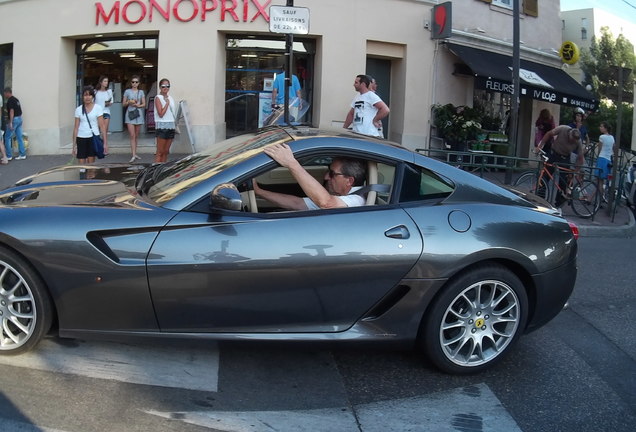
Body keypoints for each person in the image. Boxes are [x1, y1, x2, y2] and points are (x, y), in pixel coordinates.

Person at [252, 143, 366, 211]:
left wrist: (292, 164)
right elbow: (296, 203)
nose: (326, 177)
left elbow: (327, 203)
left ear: (349, 181)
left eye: (332, 174)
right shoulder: (340, 197)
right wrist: (259, 191)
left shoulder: (357, 200)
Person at [535, 125, 585, 207]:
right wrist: (540, 146)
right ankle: (540, 199)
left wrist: (576, 170)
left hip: (565, 157)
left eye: (574, 142)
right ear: (569, 134)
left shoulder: (578, 141)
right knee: (545, 176)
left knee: (563, 182)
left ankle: (558, 204)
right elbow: (548, 134)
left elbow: (580, 157)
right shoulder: (563, 129)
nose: (572, 142)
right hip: (554, 153)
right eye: (571, 140)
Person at [72, 85, 105, 164]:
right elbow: (76, 127)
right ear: (82, 97)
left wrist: (105, 143)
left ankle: (91, 175)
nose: (87, 97)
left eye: (90, 95)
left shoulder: (98, 108)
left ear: (92, 96)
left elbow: (102, 126)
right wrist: (74, 145)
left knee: (91, 163)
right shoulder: (79, 109)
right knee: (81, 162)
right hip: (81, 137)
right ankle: (82, 175)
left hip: (93, 137)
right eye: (85, 95)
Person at [153, 78, 177, 163]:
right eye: (163, 86)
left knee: (166, 151)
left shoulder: (171, 98)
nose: (166, 88)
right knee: (160, 151)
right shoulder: (158, 98)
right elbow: (161, 113)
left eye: (168, 86)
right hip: (162, 126)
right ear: (160, 87)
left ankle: (162, 169)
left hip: (171, 125)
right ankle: (155, 170)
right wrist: (167, 103)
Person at [123, 75, 145, 163]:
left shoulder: (141, 92)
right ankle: (133, 154)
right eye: (133, 82)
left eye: (136, 82)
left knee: (136, 135)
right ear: (130, 83)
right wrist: (129, 102)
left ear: (139, 83)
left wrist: (138, 105)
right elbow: (123, 104)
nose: (134, 84)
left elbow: (144, 104)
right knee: (132, 135)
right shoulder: (127, 91)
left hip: (138, 113)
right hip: (130, 114)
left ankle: (135, 153)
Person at [3, 87, 27, 161]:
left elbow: (11, 111)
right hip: (19, 119)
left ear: (7, 93)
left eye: (5, 93)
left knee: (7, 137)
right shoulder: (16, 99)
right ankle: (22, 154)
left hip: (14, 119)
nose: (4, 95)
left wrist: (10, 122)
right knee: (19, 137)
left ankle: (8, 156)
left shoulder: (10, 100)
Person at [596, 121, 616, 204]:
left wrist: (598, 156)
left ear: (605, 128)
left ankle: (600, 199)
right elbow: (614, 148)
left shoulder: (602, 137)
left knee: (599, 181)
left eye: (601, 126)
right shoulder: (612, 137)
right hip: (608, 160)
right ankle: (600, 198)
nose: (600, 128)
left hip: (601, 158)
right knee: (602, 181)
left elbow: (600, 149)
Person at [94, 75, 113, 155]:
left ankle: (105, 147)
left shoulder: (109, 91)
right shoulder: (95, 92)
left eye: (107, 81)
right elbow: (93, 102)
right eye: (105, 81)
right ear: (101, 82)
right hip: (97, 113)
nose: (106, 83)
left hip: (106, 111)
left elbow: (111, 101)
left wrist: (108, 103)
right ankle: (98, 146)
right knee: (97, 131)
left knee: (104, 130)